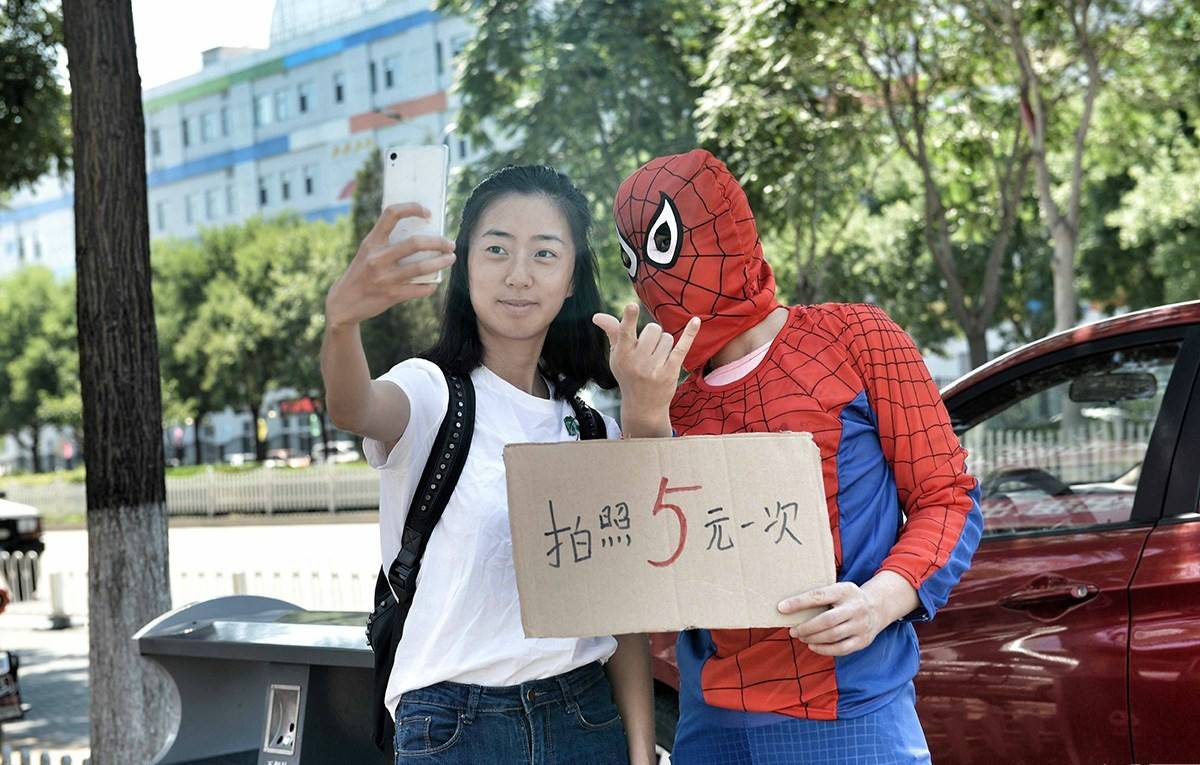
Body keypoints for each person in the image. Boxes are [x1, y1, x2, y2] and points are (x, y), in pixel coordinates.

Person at [612, 149, 984, 764]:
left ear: (725, 226)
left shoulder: (856, 338)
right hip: (712, 721)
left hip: (852, 709)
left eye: (663, 244)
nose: (652, 280)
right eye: (635, 259)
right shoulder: (672, 402)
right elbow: (652, 570)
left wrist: (879, 602)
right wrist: (644, 418)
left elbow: (947, 497)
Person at [322, 164, 692, 765]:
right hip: (453, 727)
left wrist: (640, 752)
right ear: (466, 265)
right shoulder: (429, 393)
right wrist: (342, 323)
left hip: (583, 715)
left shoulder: (592, 429)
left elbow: (623, 611)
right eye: (496, 249)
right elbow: (353, 406)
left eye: (545, 253)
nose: (519, 274)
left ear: (571, 279)